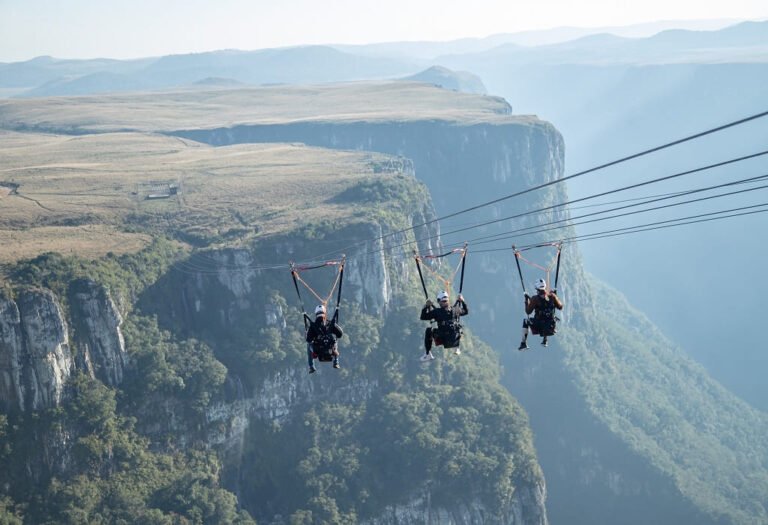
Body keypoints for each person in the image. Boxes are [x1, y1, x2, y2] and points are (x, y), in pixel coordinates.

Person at [420, 291, 468, 360]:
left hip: (443, 339)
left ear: (439, 301)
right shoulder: (455, 309)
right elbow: (466, 311)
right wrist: (462, 301)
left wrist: (426, 306)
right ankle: (456, 347)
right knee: (455, 329)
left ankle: (428, 354)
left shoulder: (436, 312)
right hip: (454, 339)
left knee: (428, 330)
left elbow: (423, 317)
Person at [518, 278, 563, 350]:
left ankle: (523, 343)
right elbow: (560, 307)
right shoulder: (552, 296)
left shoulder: (535, 299)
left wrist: (526, 301)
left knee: (526, 321)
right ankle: (545, 340)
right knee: (547, 317)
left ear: (537, 288)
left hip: (539, 326)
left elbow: (528, 311)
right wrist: (555, 297)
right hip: (550, 326)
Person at [306, 304, 343, 373]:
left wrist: (308, 333)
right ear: (325, 313)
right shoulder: (330, 324)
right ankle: (336, 362)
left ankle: (311, 366)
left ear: (316, 314)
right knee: (335, 340)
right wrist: (335, 326)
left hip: (318, 350)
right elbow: (340, 334)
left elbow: (308, 339)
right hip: (330, 349)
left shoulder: (313, 326)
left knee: (309, 345)